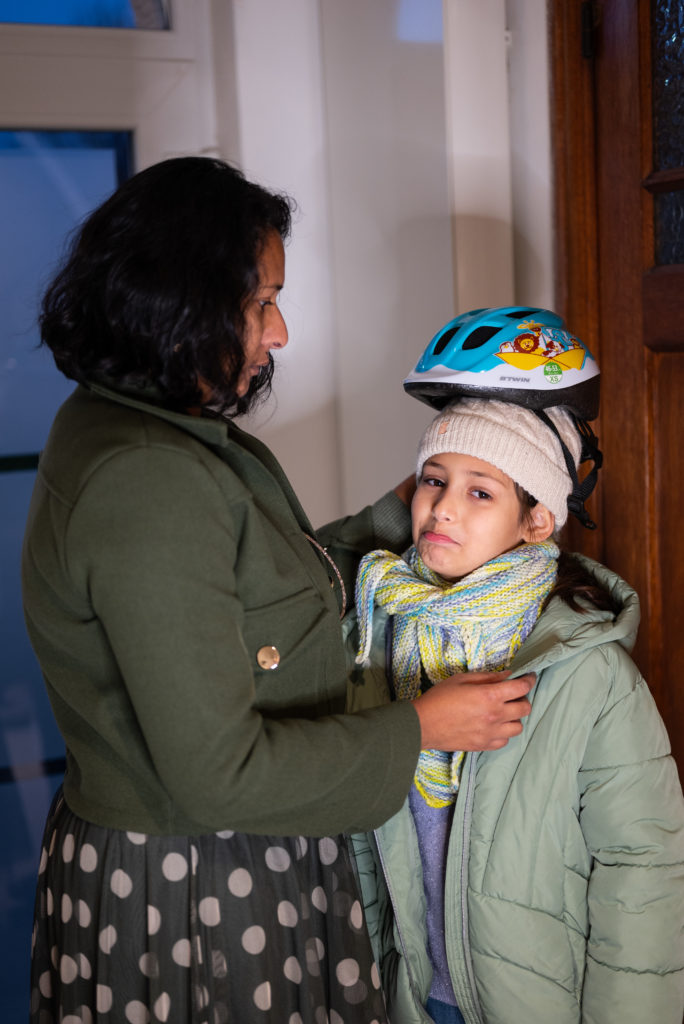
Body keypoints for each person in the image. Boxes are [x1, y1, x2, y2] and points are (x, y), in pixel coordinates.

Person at [22, 160, 536, 1023]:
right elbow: (219, 776)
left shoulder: (129, 420)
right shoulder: (149, 479)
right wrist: (421, 728)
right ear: (181, 302)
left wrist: (427, 505)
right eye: (263, 301)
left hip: (198, 861)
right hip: (198, 891)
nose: (280, 331)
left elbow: (260, 584)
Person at [347, 307, 684, 1024]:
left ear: (538, 521)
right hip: (413, 1003)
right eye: (432, 480)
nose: (442, 509)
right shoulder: (376, 638)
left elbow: (644, 873)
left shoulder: (590, 678)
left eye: (480, 491)